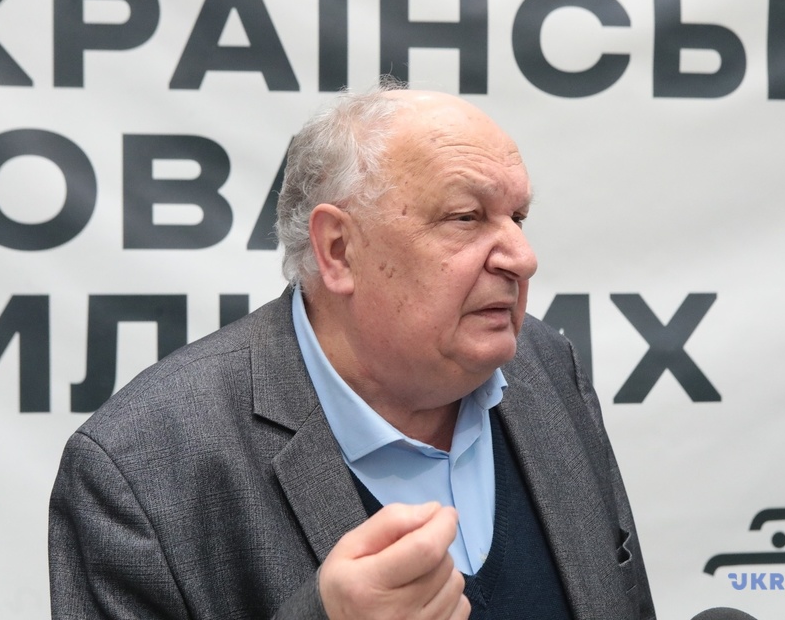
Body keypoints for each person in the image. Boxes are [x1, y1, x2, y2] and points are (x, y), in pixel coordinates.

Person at [49, 82, 656, 619]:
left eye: (517, 217)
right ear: (339, 250)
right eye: (466, 217)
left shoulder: (545, 367)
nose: (522, 257)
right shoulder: (141, 468)